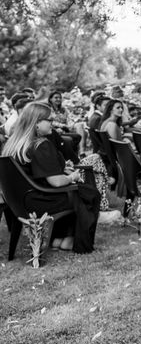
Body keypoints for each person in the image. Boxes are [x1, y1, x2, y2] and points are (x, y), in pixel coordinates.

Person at [1, 102, 100, 253]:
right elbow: (56, 182)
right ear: (36, 123)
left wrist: (60, 169)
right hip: (40, 201)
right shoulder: (41, 144)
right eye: (49, 120)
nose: (52, 124)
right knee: (88, 193)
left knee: (75, 192)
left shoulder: (14, 144)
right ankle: (72, 241)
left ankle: (58, 239)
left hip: (19, 201)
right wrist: (72, 176)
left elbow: (32, 171)